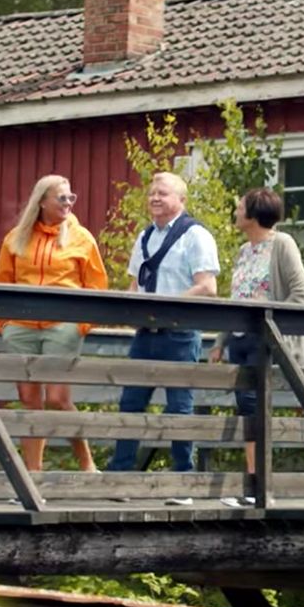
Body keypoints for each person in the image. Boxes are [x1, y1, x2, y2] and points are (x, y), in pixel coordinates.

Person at [0, 174, 109, 472]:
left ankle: (87, 465)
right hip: (21, 326)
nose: (68, 203)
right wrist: (3, 323)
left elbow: (97, 286)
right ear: (42, 201)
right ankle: (33, 476)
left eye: (72, 197)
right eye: (62, 198)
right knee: (29, 400)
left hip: (63, 325)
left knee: (58, 398)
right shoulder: (16, 237)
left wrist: (81, 324)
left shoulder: (81, 238)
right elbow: (1, 282)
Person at [107, 172, 219, 473]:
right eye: (152, 193)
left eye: (163, 193)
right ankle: (121, 472)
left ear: (181, 200)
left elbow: (208, 287)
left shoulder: (196, 235)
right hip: (145, 333)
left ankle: (183, 474)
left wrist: (167, 309)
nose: (155, 198)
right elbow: (135, 286)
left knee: (179, 406)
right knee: (131, 402)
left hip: (179, 333)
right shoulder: (144, 236)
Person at [209, 187, 304, 471]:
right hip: (239, 340)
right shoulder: (244, 250)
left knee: (256, 408)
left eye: (241, 207)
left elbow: (301, 293)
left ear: (254, 214)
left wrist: (271, 325)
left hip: (265, 339)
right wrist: (220, 341)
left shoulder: (282, 244)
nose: (236, 212)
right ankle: (254, 479)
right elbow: (237, 297)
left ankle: (259, 482)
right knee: (245, 407)